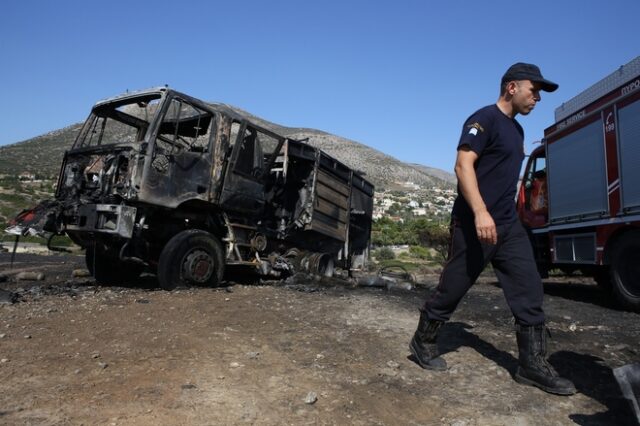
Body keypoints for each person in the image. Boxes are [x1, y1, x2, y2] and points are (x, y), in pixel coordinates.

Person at [409, 63, 576, 396]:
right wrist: (481, 212)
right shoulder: (483, 119)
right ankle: (422, 341)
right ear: (512, 87)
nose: (537, 98)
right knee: (453, 287)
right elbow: (462, 165)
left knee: (529, 288)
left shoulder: (516, 130)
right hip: (475, 222)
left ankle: (531, 366)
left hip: (508, 225)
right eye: (534, 90)